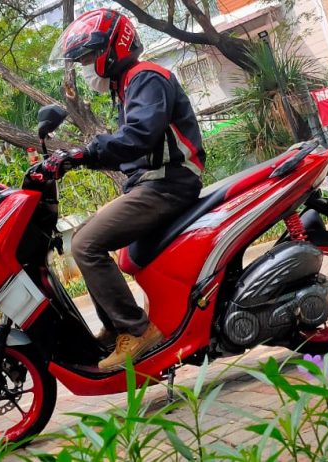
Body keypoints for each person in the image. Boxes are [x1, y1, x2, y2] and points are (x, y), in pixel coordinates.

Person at [34, 8, 206, 371]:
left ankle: (135, 330)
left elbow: (138, 137)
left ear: (112, 50)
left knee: (85, 244)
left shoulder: (146, 77)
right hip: (154, 183)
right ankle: (116, 328)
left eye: (87, 58)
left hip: (169, 184)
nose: (85, 68)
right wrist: (78, 159)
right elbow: (131, 151)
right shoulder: (129, 86)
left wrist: (84, 154)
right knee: (85, 239)